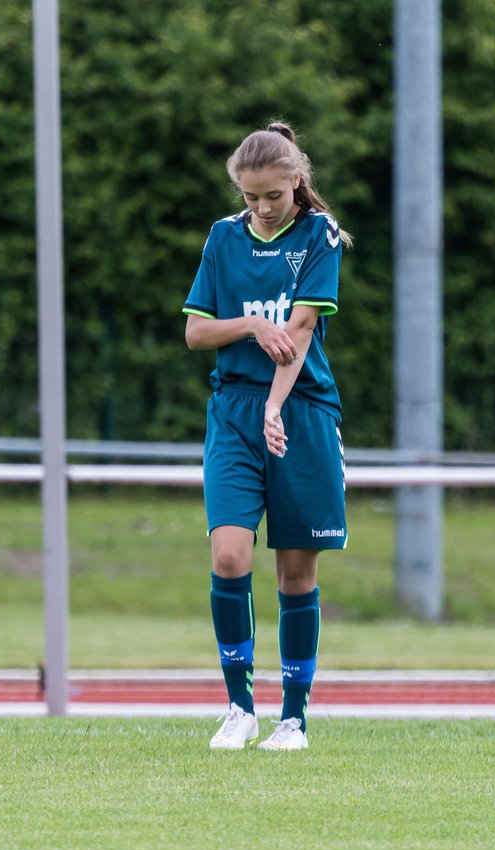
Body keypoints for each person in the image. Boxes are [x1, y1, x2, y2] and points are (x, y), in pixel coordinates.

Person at [183, 121, 351, 750]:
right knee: (228, 554)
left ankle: (294, 719)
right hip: (233, 412)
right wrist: (251, 322)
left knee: (295, 573)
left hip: (301, 410)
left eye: (272, 197)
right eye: (250, 197)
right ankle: (239, 707)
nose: (260, 208)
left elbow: (302, 330)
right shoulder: (223, 240)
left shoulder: (319, 235)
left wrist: (277, 408)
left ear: (295, 181)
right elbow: (197, 334)